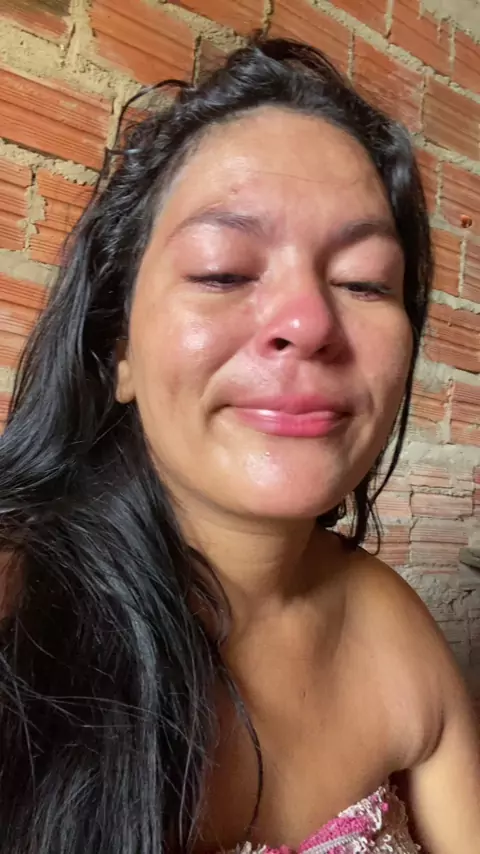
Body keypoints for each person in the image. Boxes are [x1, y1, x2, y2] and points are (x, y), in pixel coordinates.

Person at [0, 35, 478, 854]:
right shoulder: (18, 618)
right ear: (118, 350)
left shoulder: (395, 629)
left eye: (364, 281)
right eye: (224, 272)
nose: (309, 322)